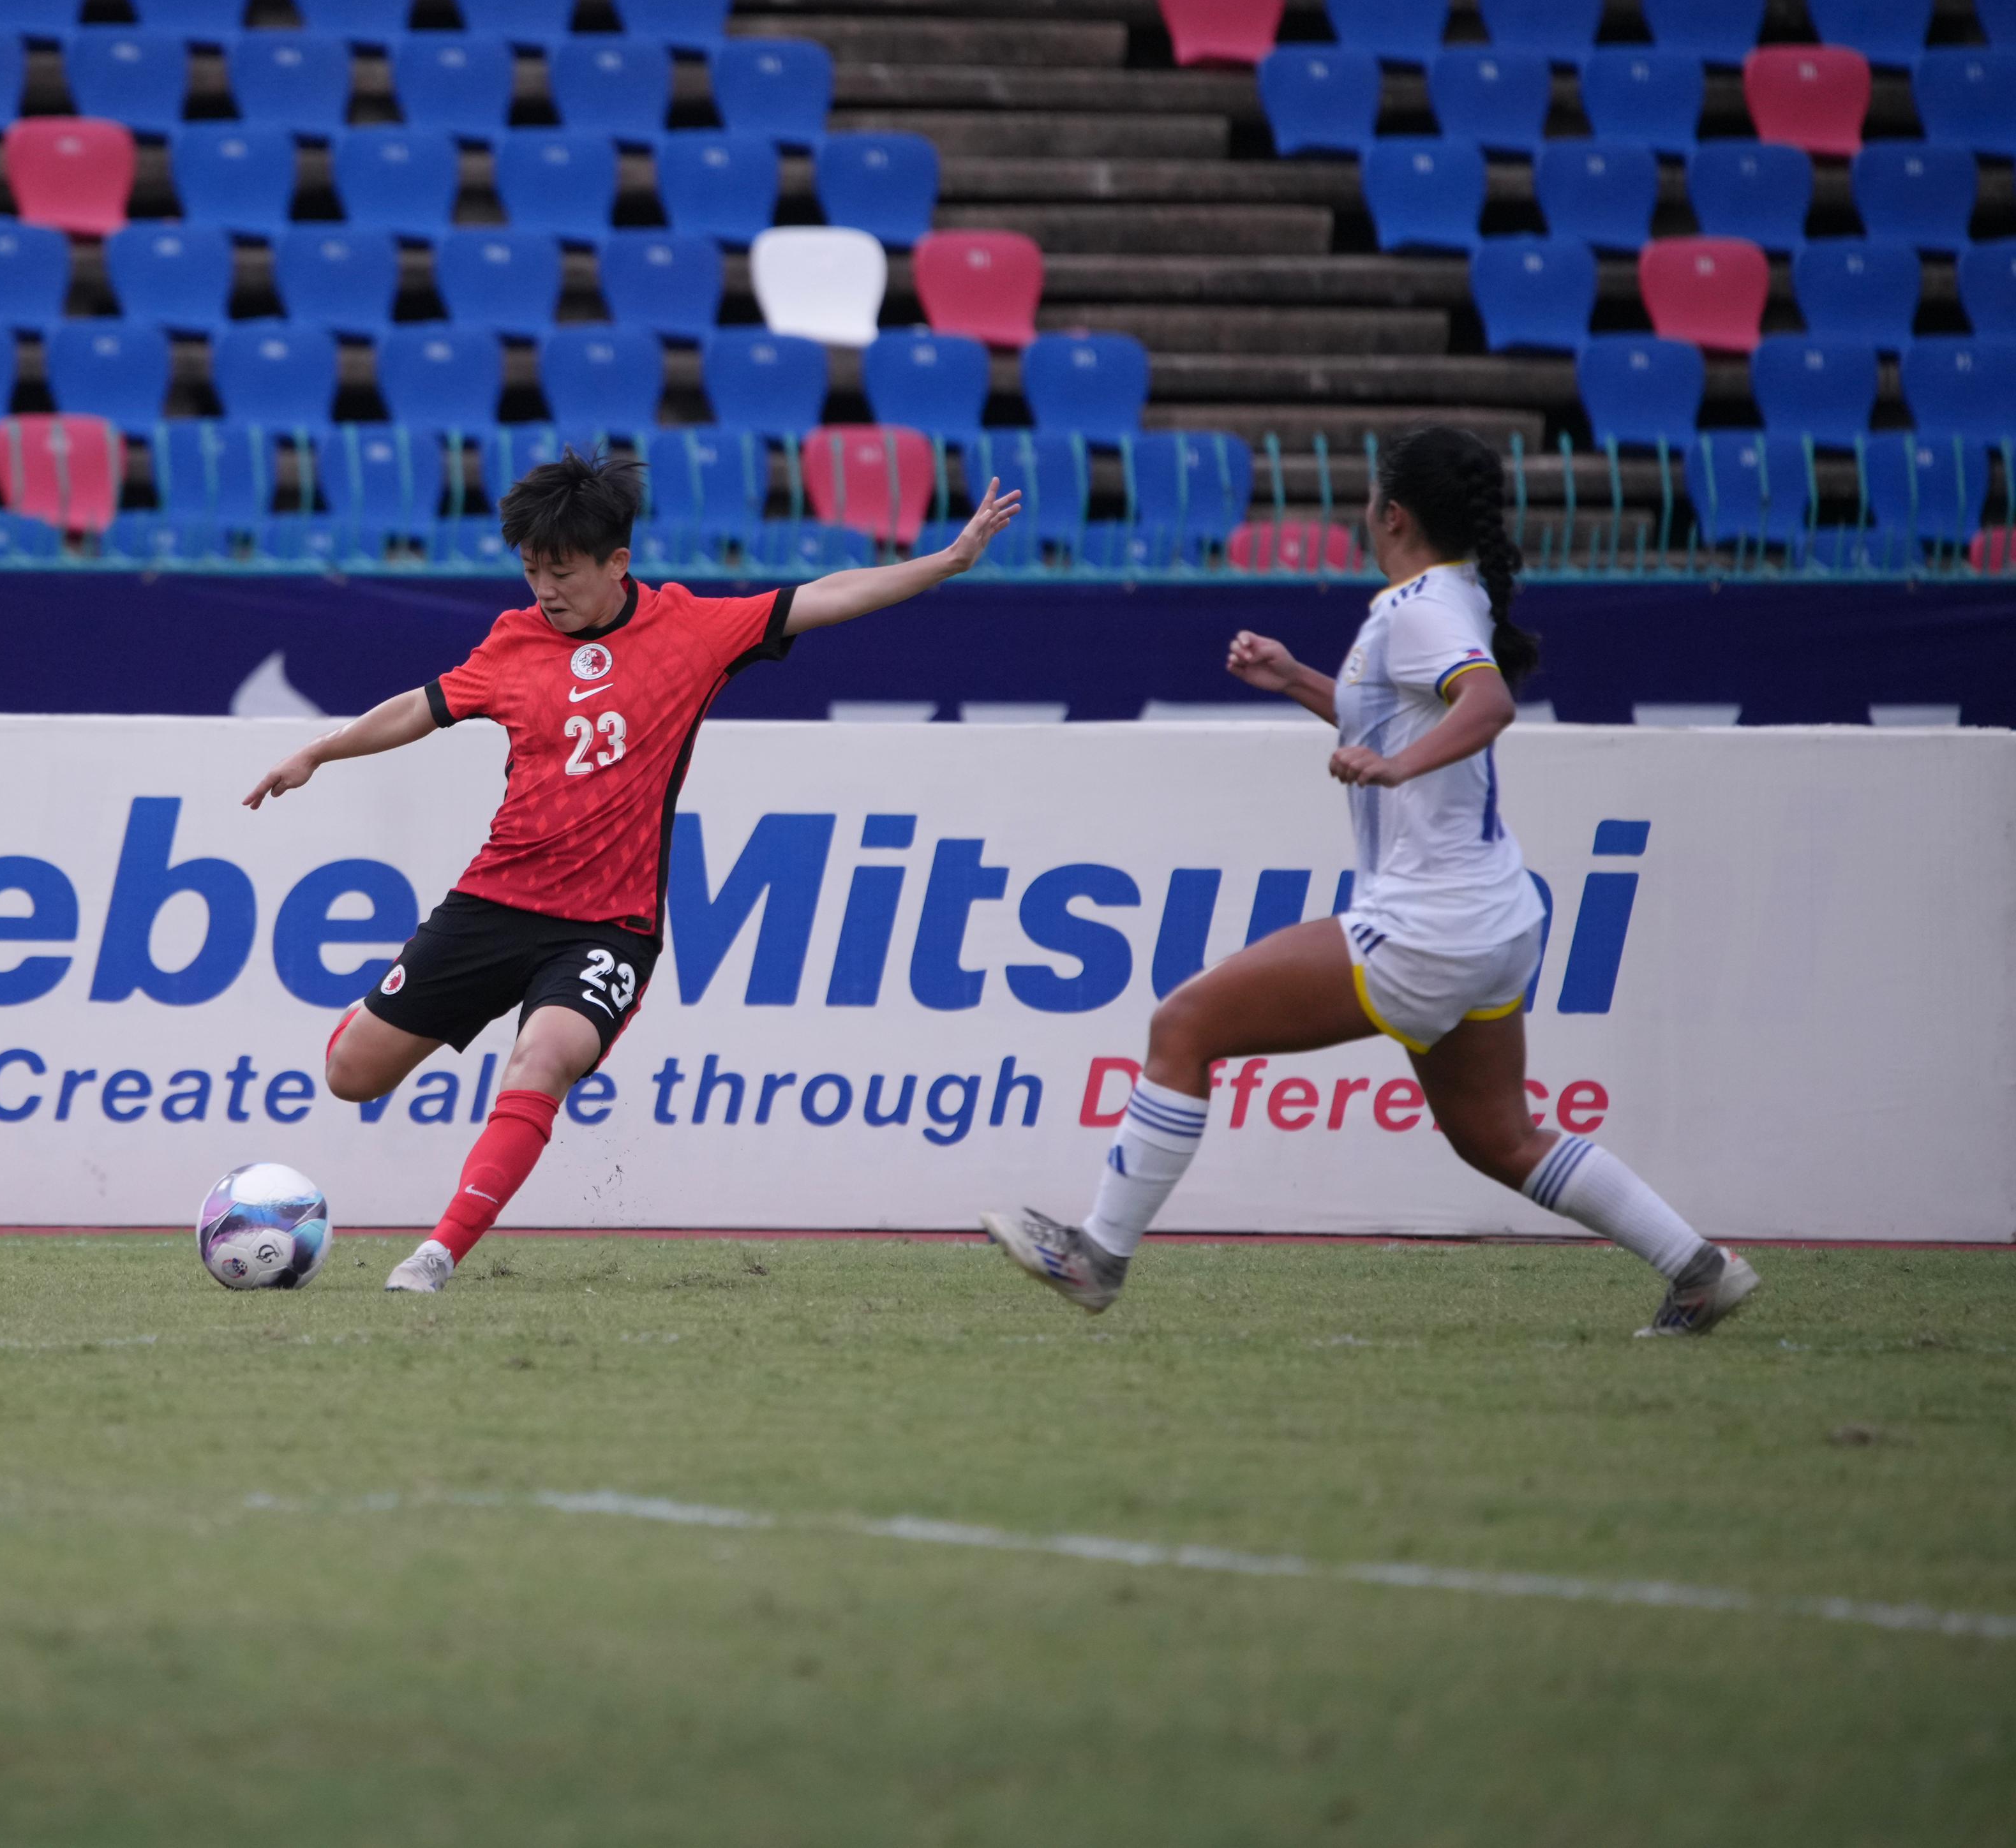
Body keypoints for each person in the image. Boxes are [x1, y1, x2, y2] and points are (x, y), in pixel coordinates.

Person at [982, 424, 1756, 1338]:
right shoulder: (1445, 594)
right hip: (1492, 919)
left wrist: (1396, 769)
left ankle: (1096, 1258)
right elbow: (1403, 714)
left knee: (1182, 1025)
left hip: (1431, 921)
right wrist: (1298, 680)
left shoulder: (1422, 605)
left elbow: (1489, 703)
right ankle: (1700, 1269)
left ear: (1392, 513)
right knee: (1498, 1138)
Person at [246, 447, 1022, 1293]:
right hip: (493, 900)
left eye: (564, 571)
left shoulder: (690, 630)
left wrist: (946, 561)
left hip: (608, 925)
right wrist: (320, 751)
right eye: (532, 568)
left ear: (619, 562)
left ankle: (437, 1253)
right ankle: (386, 1017)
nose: (545, 589)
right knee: (351, 1072)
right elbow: (422, 706)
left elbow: (824, 596)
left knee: (543, 1056)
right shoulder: (513, 642)